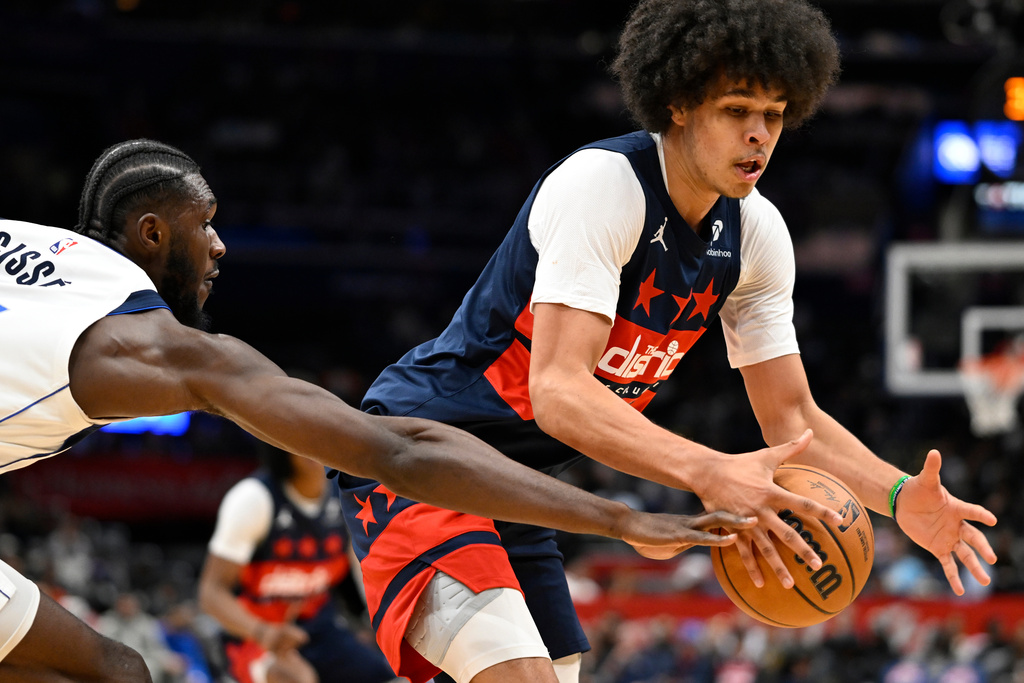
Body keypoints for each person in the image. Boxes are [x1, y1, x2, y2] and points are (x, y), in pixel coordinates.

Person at [332, 1, 1000, 683]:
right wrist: (708, 469)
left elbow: (792, 419)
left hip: (517, 491)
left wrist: (895, 497)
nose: (758, 135)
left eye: (774, 115)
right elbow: (559, 391)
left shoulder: (758, 235)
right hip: (424, 450)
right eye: (737, 110)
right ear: (679, 102)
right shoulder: (604, 186)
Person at [0, 138, 768, 681]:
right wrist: (622, 519)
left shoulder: (31, 248)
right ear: (152, 233)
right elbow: (397, 453)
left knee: (112, 670)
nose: (221, 246)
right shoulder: (161, 350)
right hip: (379, 530)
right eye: (205, 225)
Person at [198, 446, 401, 683]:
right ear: (282, 445)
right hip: (253, 634)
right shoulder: (253, 498)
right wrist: (262, 632)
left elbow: (367, 577)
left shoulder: (349, 496)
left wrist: (383, 628)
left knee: (392, 676)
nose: (314, 443)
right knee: (295, 678)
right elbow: (210, 593)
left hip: (319, 627)